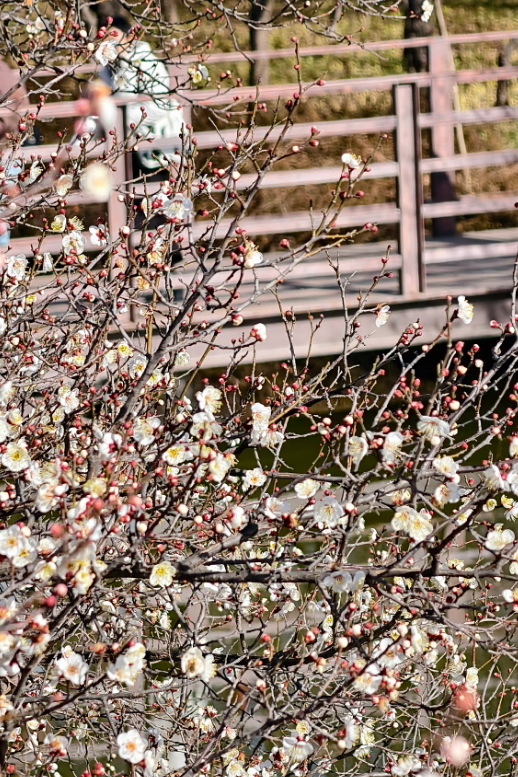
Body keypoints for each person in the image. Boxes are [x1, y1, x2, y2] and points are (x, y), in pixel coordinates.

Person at [97, 16, 186, 177]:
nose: (109, 45)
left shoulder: (147, 63)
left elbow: (160, 105)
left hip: (158, 144)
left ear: (130, 37)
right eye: (104, 41)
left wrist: (118, 118)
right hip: (127, 142)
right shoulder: (108, 68)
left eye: (113, 39)